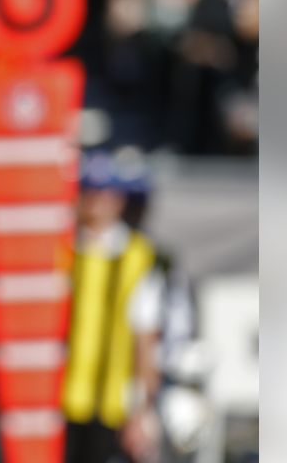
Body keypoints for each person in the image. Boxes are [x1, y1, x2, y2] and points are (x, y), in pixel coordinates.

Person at [62, 150, 164, 463]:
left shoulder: (139, 256)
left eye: (104, 195)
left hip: (110, 403)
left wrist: (141, 410)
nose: (95, 203)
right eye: (88, 193)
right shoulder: (60, 248)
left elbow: (145, 339)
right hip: (57, 398)